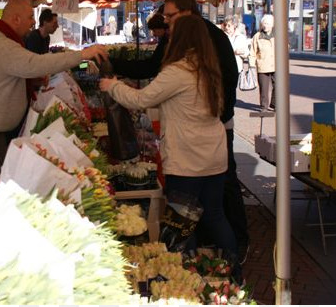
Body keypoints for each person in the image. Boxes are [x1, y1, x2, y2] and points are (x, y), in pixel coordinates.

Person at [99, 15, 238, 269]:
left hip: (187, 160)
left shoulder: (178, 71)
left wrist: (112, 86)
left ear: (181, 38)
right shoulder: (210, 67)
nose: (168, 35)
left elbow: (142, 99)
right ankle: (233, 269)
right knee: (215, 216)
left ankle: (188, 277)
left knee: (182, 224)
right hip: (214, 158)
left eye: (172, 31)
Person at [0, 0, 107, 195]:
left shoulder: (5, 39)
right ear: (15, 18)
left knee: (0, 177)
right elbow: (33, 63)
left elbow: (14, 72)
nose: (32, 22)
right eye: (29, 17)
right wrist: (82, 55)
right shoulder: (0, 43)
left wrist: (32, 82)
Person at [163, 0, 248, 271]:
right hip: (211, 141)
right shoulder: (202, 54)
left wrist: (216, 116)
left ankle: (227, 254)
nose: (166, 22)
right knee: (213, 210)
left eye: (170, 16)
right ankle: (229, 263)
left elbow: (230, 81)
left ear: (186, 13)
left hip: (203, 142)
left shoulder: (207, 43)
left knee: (195, 212)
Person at [109, 6, 169, 79]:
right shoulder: (166, 40)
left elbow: (152, 67)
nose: (153, 34)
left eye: (169, 16)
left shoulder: (168, 42)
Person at [252, 14, 276, 112]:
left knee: (279, 86)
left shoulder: (278, 35)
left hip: (276, 65)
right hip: (263, 65)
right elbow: (252, 52)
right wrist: (251, 65)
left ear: (272, 25)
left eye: (268, 23)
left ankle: (275, 104)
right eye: (264, 23)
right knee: (264, 88)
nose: (265, 25)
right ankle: (264, 107)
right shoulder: (257, 36)